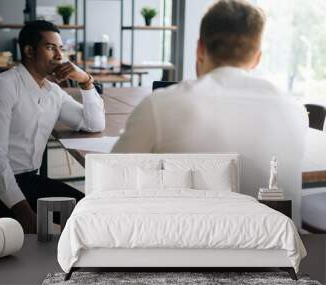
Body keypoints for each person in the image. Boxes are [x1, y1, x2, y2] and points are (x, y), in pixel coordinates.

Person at [112, 0, 308, 226]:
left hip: (188, 254)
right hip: (281, 257)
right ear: (257, 58)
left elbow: (108, 183)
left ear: (199, 49)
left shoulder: (160, 105)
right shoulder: (295, 110)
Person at [0, 20, 105, 233]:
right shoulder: (1, 87)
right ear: (29, 50)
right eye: (50, 48)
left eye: (61, 48)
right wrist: (23, 210)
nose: (59, 56)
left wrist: (85, 81)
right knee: (34, 236)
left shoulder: (52, 91)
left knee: (89, 213)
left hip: (29, 180)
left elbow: (93, 124)